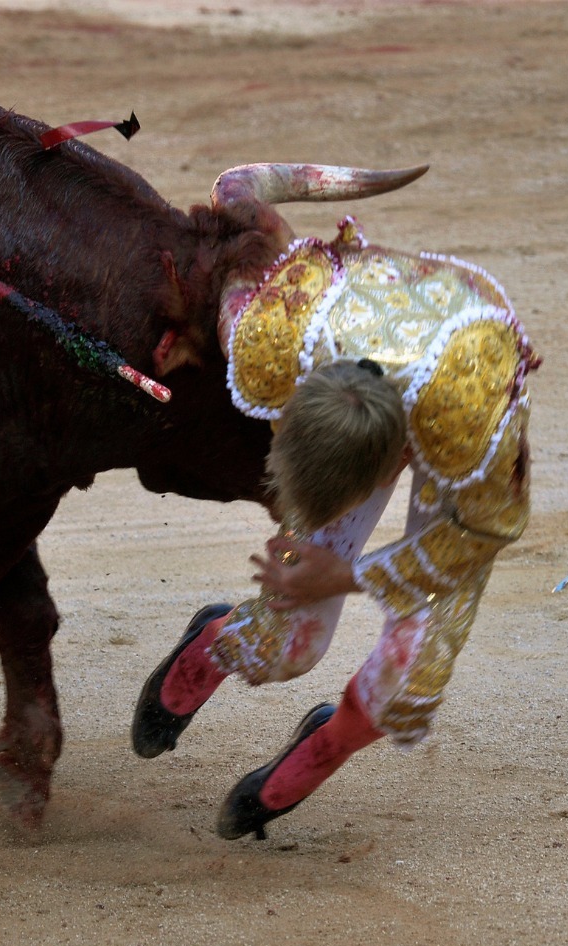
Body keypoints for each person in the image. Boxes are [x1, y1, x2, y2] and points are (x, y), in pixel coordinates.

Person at [133, 217, 537, 841]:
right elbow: (234, 257)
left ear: (396, 461)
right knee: (285, 639)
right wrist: (196, 339)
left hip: (461, 387)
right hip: (344, 363)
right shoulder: (271, 335)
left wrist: (349, 576)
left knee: (407, 681)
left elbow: (481, 531)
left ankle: (328, 744)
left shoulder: (477, 428)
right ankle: (216, 641)